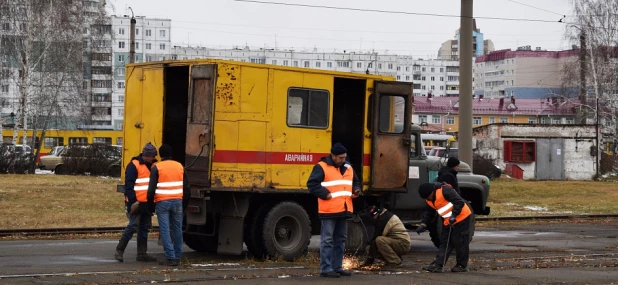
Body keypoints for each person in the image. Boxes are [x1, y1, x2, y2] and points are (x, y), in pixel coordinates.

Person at [307, 143, 361, 278]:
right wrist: (325, 194)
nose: (343, 160)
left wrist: (356, 191)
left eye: (344, 157)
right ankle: (326, 269)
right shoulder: (321, 166)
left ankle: (336, 267)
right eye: (341, 158)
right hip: (329, 210)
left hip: (344, 208)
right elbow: (312, 184)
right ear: (333, 156)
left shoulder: (348, 167)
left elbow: (356, 182)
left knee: (340, 239)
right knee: (328, 240)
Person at [147, 144, 190, 267]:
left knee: (165, 230)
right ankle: (178, 256)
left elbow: (151, 190)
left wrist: (150, 206)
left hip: (162, 202)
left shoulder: (157, 167)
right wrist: (184, 203)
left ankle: (170, 257)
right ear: (171, 154)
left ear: (160, 155)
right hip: (177, 201)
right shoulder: (179, 166)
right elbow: (187, 188)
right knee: (177, 229)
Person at [114, 143, 158, 263]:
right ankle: (119, 250)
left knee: (144, 228)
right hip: (137, 203)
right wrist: (133, 202)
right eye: (152, 156)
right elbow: (129, 185)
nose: (154, 158)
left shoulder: (153, 165)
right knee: (132, 226)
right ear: (146, 155)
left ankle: (142, 254)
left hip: (147, 203)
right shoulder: (134, 165)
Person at [416, 182, 472, 273]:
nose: (428, 199)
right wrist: (423, 224)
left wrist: (454, 215)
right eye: (426, 198)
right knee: (445, 242)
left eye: (428, 196)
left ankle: (462, 265)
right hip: (448, 220)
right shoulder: (429, 199)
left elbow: (459, 202)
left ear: (432, 192)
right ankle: (438, 264)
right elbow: (429, 213)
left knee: (460, 241)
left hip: (462, 216)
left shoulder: (445, 191)